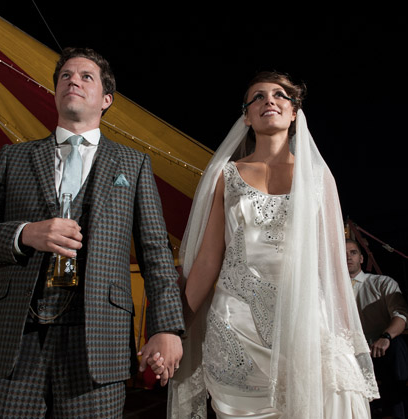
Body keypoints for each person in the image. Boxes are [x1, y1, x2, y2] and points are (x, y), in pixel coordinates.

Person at [0, 47, 184, 418]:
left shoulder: (134, 164)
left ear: (106, 99)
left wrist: (168, 327)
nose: (73, 81)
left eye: (85, 76)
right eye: (65, 76)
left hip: (97, 340)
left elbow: (156, 253)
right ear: (55, 92)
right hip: (16, 336)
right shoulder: (13, 157)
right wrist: (24, 234)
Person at [158, 71, 378, 418]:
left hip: (306, 325)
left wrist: (343, 340)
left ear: (294, 112)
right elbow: (206, 262)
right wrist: (174, 329)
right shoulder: (225, 175)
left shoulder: (319, 177)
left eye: (279, 95)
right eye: (257, 97)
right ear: (246, 116)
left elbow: (333, 265)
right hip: (236, 327)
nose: (268, 101)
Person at [346, 239, 408, 419]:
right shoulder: (332, 289)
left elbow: (401, 315)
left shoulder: (382, 283)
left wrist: (386, 337)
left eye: (352, 252)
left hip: (380, 349)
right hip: (348, 353)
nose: (348, 257)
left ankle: (397, 412)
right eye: (343, 253)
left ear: (361, 258)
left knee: (397, 346)